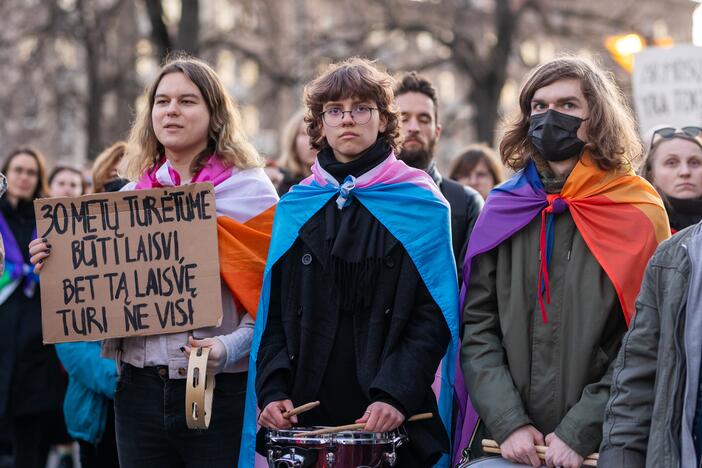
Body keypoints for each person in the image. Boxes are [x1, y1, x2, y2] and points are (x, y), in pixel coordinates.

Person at [30, 55, 278, 467]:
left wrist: (226, 347)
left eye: (187, 101)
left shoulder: (250, 194)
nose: (171, 111)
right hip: (137, 391)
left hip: (215, 388)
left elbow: (271, 304)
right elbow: (99, 295)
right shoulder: (129, 199)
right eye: (161, 102)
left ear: (214, 114)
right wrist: (58, 263)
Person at [241, 58, 458, 468]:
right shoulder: (296, 206)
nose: (348, 120)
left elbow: (434, 316)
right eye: (335, 110)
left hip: (389, 417)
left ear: (382, 120)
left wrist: (396, 393)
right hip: (305, 417)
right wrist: (272, 391)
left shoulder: (422, 204)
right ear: (319, 124)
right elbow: (272, 315)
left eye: (362, 108)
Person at [456, 56, 670, 468]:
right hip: (509, 446)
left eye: (568, 105)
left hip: (607, 444)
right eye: (539, 106)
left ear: (597, 117)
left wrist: (580, 431)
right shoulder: (504, 206)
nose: (550, 116)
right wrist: (509, 422)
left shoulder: (638, 209)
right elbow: (477, 327)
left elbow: (647, 339)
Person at [0, 147, 69, 468]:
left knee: (31, 441)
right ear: (6, 173)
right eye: (17, 170)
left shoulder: (48, 221)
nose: (23, 177)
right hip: (3, 328)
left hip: (37, 340)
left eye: (31, 172)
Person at [394, 72, 483, 273]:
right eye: (404, 118)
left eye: (424, 119)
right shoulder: (365, 197)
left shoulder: (466, 204)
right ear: (387, 126)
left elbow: (474, 288)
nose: (414, 128)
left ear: (437, 131)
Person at [640, 125, 702, 232]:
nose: (685, 172)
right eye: (671, 162)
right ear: (651, 174)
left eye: (694, 162)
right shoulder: (642, 228)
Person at [275, 109, 318, 195]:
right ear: (293, 141)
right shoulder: (275, 182)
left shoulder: (342, 185)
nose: (311, 141)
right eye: (304, 133)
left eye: (317, 133)